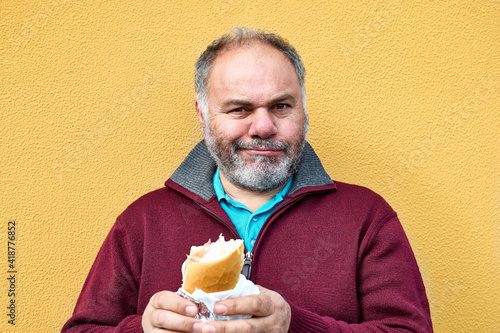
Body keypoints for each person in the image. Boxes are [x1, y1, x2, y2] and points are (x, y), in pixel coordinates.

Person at [62, 27, 433, 332]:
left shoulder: (366, 217)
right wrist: (140, 330)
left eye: (281, 106)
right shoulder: (142, 221)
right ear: (204, 116)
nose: (263, 127)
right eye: (239, 109)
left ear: (303, 109)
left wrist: (296, 326)